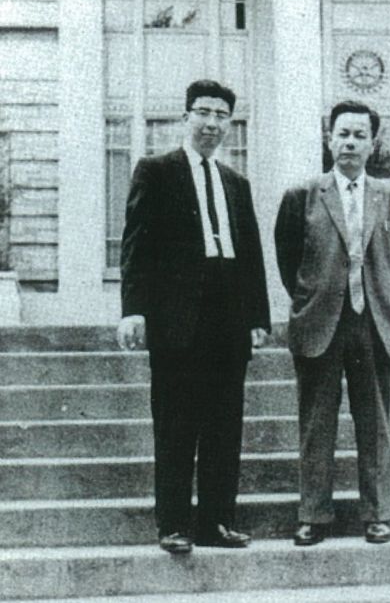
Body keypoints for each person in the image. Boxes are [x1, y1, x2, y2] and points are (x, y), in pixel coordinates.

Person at [117, 79, 270, 554]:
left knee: (225, 424)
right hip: (177, 319)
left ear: (230, 122)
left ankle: (218, 522)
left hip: (229, 316)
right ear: (186, 117)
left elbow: (251, 255)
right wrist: (133, 310)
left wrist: (257, 317)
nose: (211, 123)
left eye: (221, 115)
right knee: (177, 422)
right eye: (203, 112)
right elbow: (136, 244)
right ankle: (174, 525)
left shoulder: (235, 183)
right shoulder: (156, 171)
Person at [274, 100, 390, 546]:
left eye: (359, 135)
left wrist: (376, 296)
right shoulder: (303, 195)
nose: (350, 142)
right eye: (343, 133)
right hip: (321, 322)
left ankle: (378, 513)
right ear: (328, 139)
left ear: (372, 143)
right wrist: (315, 296)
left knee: (374, 422)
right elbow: (288, 258)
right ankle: (314, 515)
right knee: (317, 422)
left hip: (373, 322)